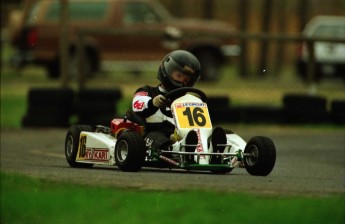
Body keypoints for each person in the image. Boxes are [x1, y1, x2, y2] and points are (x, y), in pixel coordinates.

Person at [132, 50, 201, 152]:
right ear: (167, 70)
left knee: (207, 135)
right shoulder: (148, 91)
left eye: (186, 80)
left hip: (181, 135)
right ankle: (174, 149)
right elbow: (137, 104)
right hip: (152, 134)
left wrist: (195, 102)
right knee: (158, 140)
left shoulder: (185, 99)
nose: (182, 81)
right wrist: (153, 103)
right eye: (179, 76)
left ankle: (215, 149)